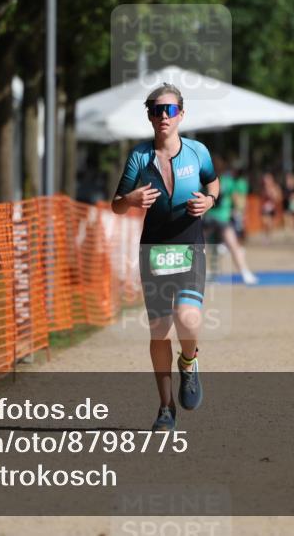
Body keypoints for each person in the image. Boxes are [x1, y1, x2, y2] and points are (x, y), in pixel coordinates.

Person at [111, 83, 220, 432]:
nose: (163, 116)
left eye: (170, 110)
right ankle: (165, 407)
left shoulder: (198, 152)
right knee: (159, 331)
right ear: (149, 116)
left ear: (181, 114)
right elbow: (116, 205)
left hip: (189, 245)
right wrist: (131, 200)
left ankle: (188, 362)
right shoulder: (139, 157)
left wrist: (209, 201)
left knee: (187, 317)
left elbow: (213, 183)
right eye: (156, 110)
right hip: (153, 250)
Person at [203, 155, 259, 285]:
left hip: (209, 218)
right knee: (233, 246)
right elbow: (237, 200)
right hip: (222, 218)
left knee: (206, 248)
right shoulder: (227, 181)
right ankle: (245, 272)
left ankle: (210, 273)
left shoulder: (206, 181)